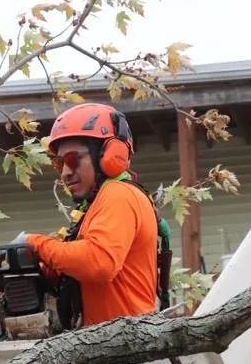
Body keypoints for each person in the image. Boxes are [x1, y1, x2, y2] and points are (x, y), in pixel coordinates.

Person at [25, 103, 164, 328]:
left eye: (72, 160)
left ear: (109, 155)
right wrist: (52, 269)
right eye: (59, 164)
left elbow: (99, 262)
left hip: (127, 349)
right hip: (108, 343)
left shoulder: (118, 194)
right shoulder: (97, 204)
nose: (66, 172)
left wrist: (37, 244)